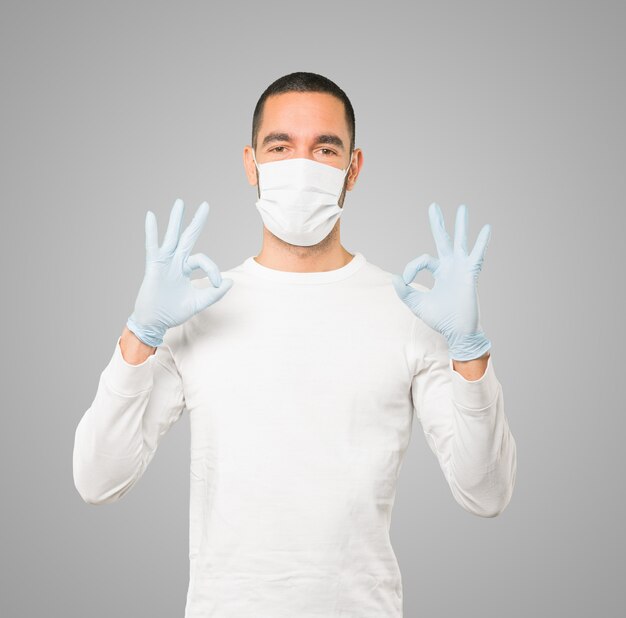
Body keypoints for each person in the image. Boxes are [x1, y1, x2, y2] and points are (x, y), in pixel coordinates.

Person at [73, 71, 517, 617]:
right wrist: (139, 339)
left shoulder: (410, 312)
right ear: (250, 163)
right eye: (279, 147)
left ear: (353, 168)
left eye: (324, 148)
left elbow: (486, 494)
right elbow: (97, 479)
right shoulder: (192, 312)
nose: (301, 166)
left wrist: (469, 351)